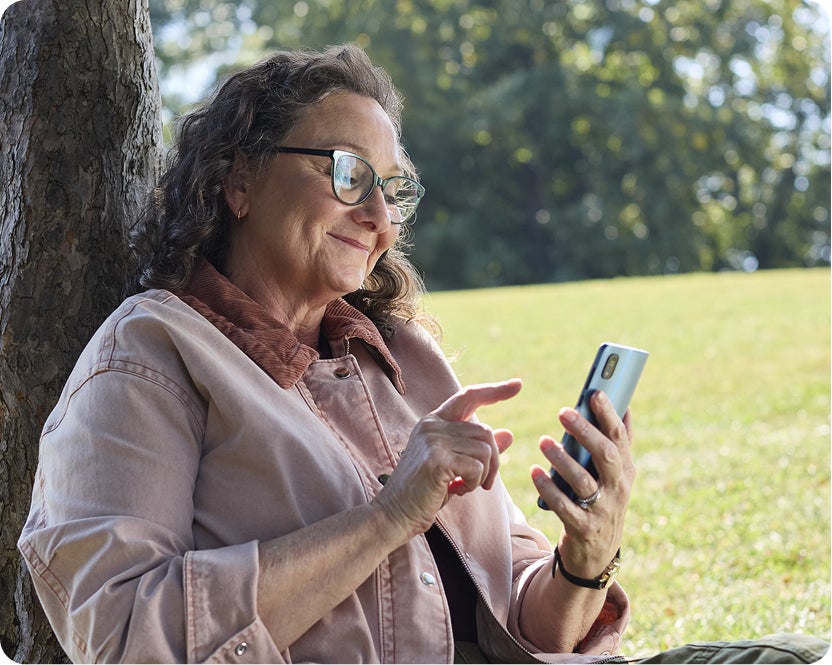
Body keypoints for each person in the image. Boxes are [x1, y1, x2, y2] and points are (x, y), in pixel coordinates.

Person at [18, 44, 827, 664]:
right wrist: (387, 516)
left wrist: (585, 559)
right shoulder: (150, 355)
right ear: (239, 181)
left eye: (394, 187)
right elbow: (123, 635)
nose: (378, 213)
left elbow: (529, 620)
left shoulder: (403, 358)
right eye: (347, 173)